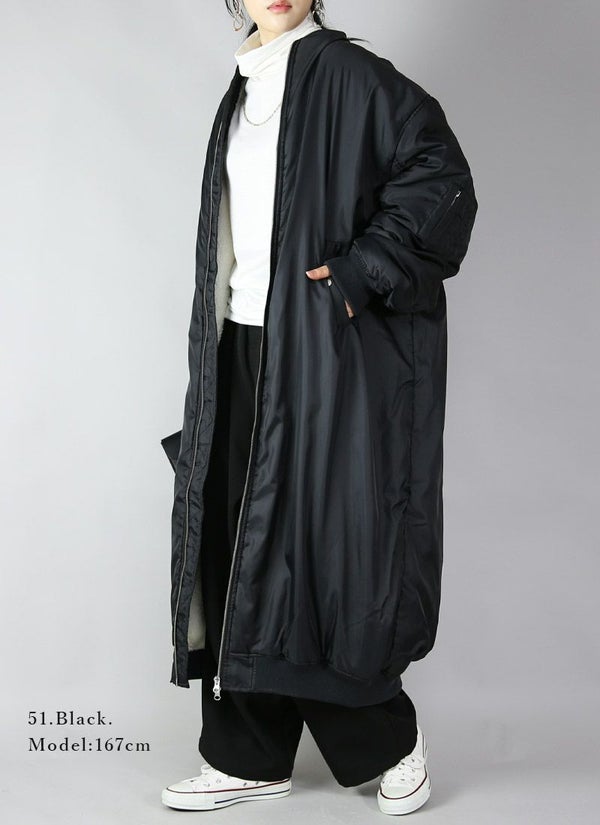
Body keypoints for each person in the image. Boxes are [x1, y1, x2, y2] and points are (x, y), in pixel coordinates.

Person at [161, 0, 477, 815]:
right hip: (240, 342)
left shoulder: (352, 77)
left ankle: (389, 741)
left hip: (321, 348)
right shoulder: (245, 85)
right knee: (236, 538)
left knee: (326, 546)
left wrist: (360, 273)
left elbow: (443, 180)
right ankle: (246, 753)